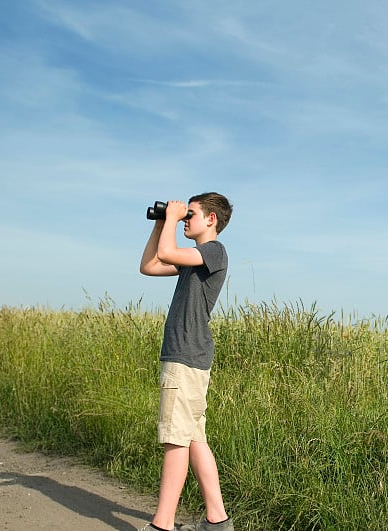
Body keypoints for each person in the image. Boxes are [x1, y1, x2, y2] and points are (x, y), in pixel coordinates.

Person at [139, 192, 234, 531]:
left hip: (185, 354)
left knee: (175, 439)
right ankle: (217, 519)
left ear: (211, 219)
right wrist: (163, 224)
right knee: (193, 438)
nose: (185, 219)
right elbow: (149, 265)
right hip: (191, 355)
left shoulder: (213, 251)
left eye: (191, 214)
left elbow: (166, 252)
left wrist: (172, 221)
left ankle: (162, 524)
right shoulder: (196, 258)